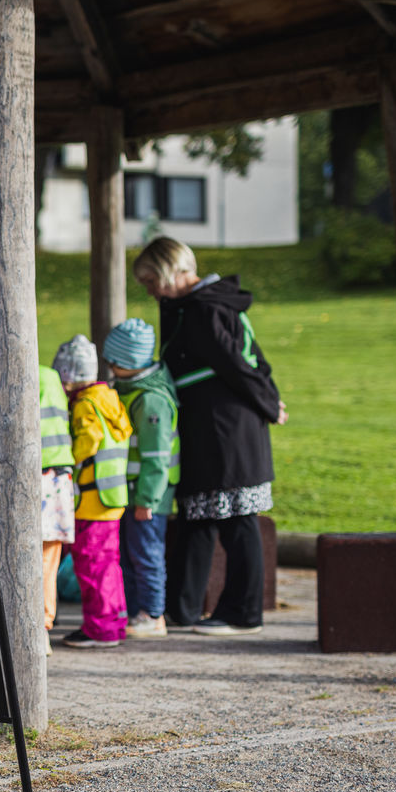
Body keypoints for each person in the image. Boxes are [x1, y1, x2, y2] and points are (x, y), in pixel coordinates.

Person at [134, 237, 287, 636]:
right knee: (198, 514)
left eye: (151, 280)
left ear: (171, 271)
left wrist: (271, 403)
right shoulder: (189, 308)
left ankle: (243, 612)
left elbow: (239, 364)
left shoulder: (207, 309)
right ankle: (182, 608)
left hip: (228, 429)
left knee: (237, 516)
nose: (149, 290)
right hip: (206, 426)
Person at [55, 334, 132, 649]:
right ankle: (113, 623)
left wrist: (70, 456)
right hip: (110, 499)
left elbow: (89, 438)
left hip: (91, 499)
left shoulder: (85, 404)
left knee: (91, 566)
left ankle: (99, 629)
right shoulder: (108, 398)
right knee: (108, 565)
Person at [103, 318, 178, 639]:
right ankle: (135, 611)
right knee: (130, 554)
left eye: (113, 360)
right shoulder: (132, 391)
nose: (109, 366)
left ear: (126, 362)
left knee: (146, 554)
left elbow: (157, 458)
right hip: (131, 491)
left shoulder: (150, 400)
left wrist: (147, 499)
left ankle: (153, 614)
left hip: (147, 495)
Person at [38, 358, 76, 650]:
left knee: (32, 559)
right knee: (49, 561)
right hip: (60, 479)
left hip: (37, 477)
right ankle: (44, 623)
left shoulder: (21, 373)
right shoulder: (52, 378)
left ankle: (38, 624)